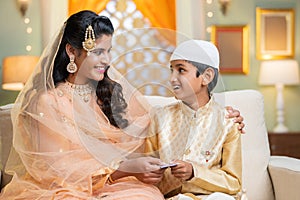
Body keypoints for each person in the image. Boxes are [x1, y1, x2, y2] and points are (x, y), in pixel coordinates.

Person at [0, 10, 244, 199]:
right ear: (71, 52)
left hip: (115, 187)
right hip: (64, 191)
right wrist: (124, 169)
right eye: (98, 52)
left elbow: (157, 121)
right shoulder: (48, 102)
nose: (106, 60)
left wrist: (215, 114)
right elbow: (56, 170)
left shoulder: (111, 94)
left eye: (109, 51)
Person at [145, 40, 242, 199]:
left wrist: (194, 172)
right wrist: (150, 174)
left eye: (181, 70)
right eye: (172, 70)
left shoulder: (228, 123)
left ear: (206, 76)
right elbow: (147, 171)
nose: (172, 79)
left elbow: (234, 182)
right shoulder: (159, 117)